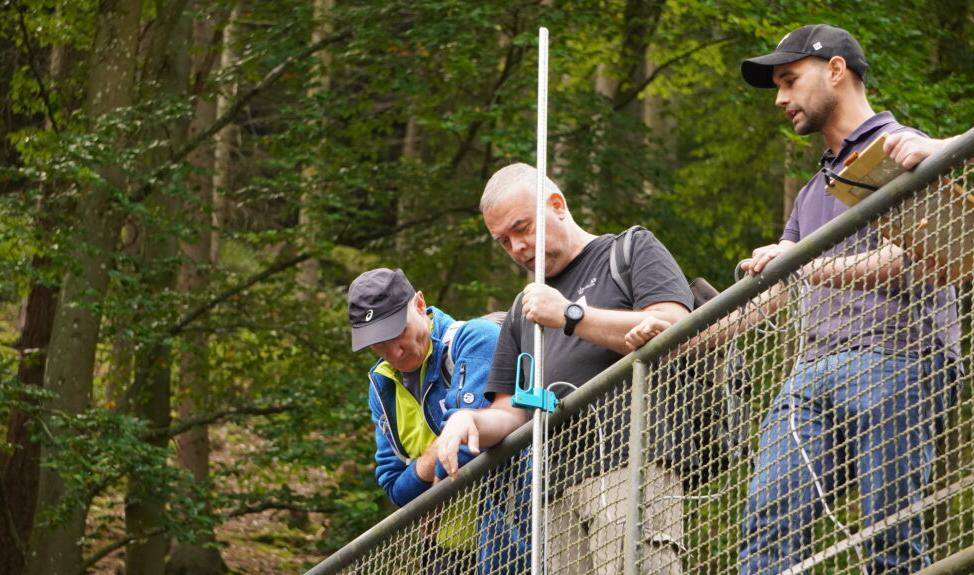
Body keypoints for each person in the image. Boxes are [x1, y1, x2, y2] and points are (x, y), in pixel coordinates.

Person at [737, 24, 961, 574]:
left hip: (899, 356)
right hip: (809, 373)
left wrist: (805, 263)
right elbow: (772, 296)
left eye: (789, 80)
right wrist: (674, 341)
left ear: (835, 70)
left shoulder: (902, 147)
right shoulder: (812, 190)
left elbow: (910, 260)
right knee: (766, 528)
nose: (781, 99)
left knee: (888, 538)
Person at [436, 163, 694, 575]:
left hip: (630, 464)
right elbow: (510, 412)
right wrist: (467, 420)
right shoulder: (524, 308)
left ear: (557, 205)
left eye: (523, 228)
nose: (518, 247)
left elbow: (675, 325)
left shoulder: (628, 250)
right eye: (504, 241)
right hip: (553, 490)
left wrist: (571, 315)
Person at [348, 268, 501, 574]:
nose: (393, 352)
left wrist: (429, 484)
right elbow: (395, 488)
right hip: (446, 550)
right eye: (377, 344)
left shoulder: (474, 340)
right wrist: (435, 462)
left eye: (396, 333)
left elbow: (473, 441)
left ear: (419, 304)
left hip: (509, 533)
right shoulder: (381, 385)